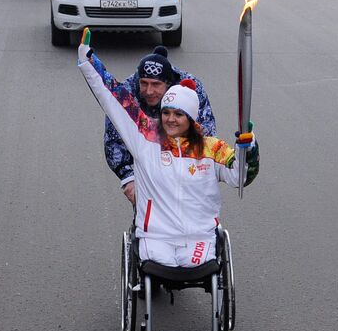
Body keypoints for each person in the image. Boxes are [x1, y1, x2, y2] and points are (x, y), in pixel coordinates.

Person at [78, 33, 258, 269]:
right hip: (156, 235)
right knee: (155, 264)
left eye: (179, 114)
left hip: (198, 237)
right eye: (166, 113)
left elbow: (240, 176)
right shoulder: (146, 137)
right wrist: (90, 62)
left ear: (191, 118)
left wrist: (248, 149)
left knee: (198, 264)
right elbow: (113, 98)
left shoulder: (211, 148)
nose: (171, 120)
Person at [104, 46, 217, 205]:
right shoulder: (127, 92)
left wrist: (196, 173)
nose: (149, 91)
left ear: (169, 83)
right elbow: (114, 139)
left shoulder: (191, 88)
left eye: (156, 84)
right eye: (144, 83)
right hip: (146, 164)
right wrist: (128, 179)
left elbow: (207, 133)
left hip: (184, 159)